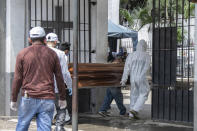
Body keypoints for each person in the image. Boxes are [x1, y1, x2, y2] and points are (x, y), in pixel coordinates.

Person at [10, 27, 67, 131]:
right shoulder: (52, 54)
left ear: (29, 40)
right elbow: (59, 77)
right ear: (44, 39)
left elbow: (17, 78)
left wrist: (13, 99)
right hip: (47, 97)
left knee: (22, 126)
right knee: (45, 128)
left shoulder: (22, 54)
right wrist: (62, 97)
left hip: (28, 97)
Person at [46, 33, 72, 131]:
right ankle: (59, 126)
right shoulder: (60, 54)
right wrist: (70, 85)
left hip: (41, 87)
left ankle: (45, 126)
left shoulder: (38, 52)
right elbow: (65, 73)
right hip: (56, 86)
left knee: (45, 109)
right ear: (56, 42)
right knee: (61, 107)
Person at [120, 39, 151, 120]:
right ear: (145, 46)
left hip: (132, 78)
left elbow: (126, 69)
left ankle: (131, 115)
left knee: (133, 95)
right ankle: (135, 110)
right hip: (141, 77)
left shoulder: (131, 55)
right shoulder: (146, 55)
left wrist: (123, 80)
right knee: (145, 92)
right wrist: (143, 74)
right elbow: (147, 67)